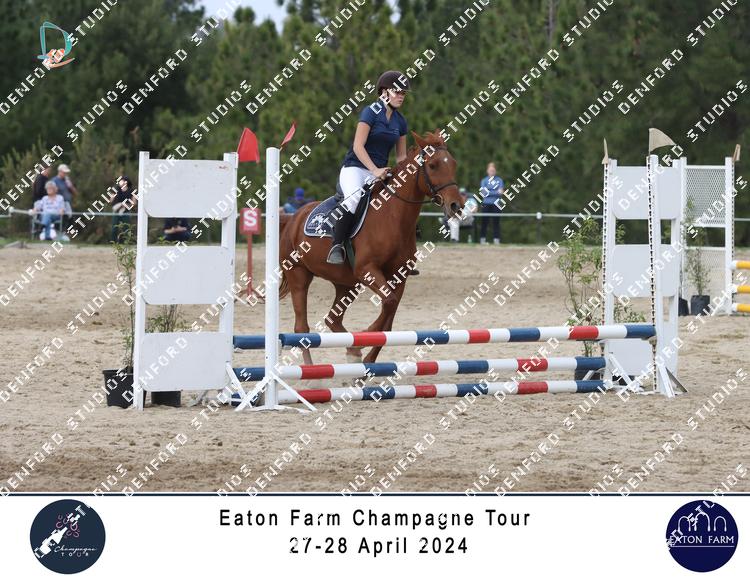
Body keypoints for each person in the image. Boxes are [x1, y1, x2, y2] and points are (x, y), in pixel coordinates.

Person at [327, 70, 409, 264]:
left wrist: (407, 175)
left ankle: (401, 253)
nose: (401, 96)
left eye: (403, 93)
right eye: (397, 92)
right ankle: (336, 246)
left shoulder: (400, 121)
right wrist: (374, 170)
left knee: (397, 203)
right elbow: (358, 146)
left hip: (379, 173)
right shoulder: (370, 112)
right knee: (354, 199)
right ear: (384, 92)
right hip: (355, 168)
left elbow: (401, 157)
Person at [478, 162, 504, 244]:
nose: (492, 171)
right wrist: (496, 192)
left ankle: (496, 240)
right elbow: (483, 193)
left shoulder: (499, 180)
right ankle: (482, 239)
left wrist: (489, 191)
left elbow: (501, 192)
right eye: (490, 170)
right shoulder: (484, 180)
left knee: (496, 222)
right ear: (487, 171)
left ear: (495, 171)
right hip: (486, 203)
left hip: (497, 204)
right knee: (484, 222)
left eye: (493, 170)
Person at [110, 176, 136, 242]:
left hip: (126, 212)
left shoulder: (131, 191)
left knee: (126, 228)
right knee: (114, 228)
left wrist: (125, 205)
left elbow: (134, 203)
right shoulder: (116, 189)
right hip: (116, 211)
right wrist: (119, 204)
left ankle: (126, 242)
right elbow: (111, 200)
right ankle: (113, 242)